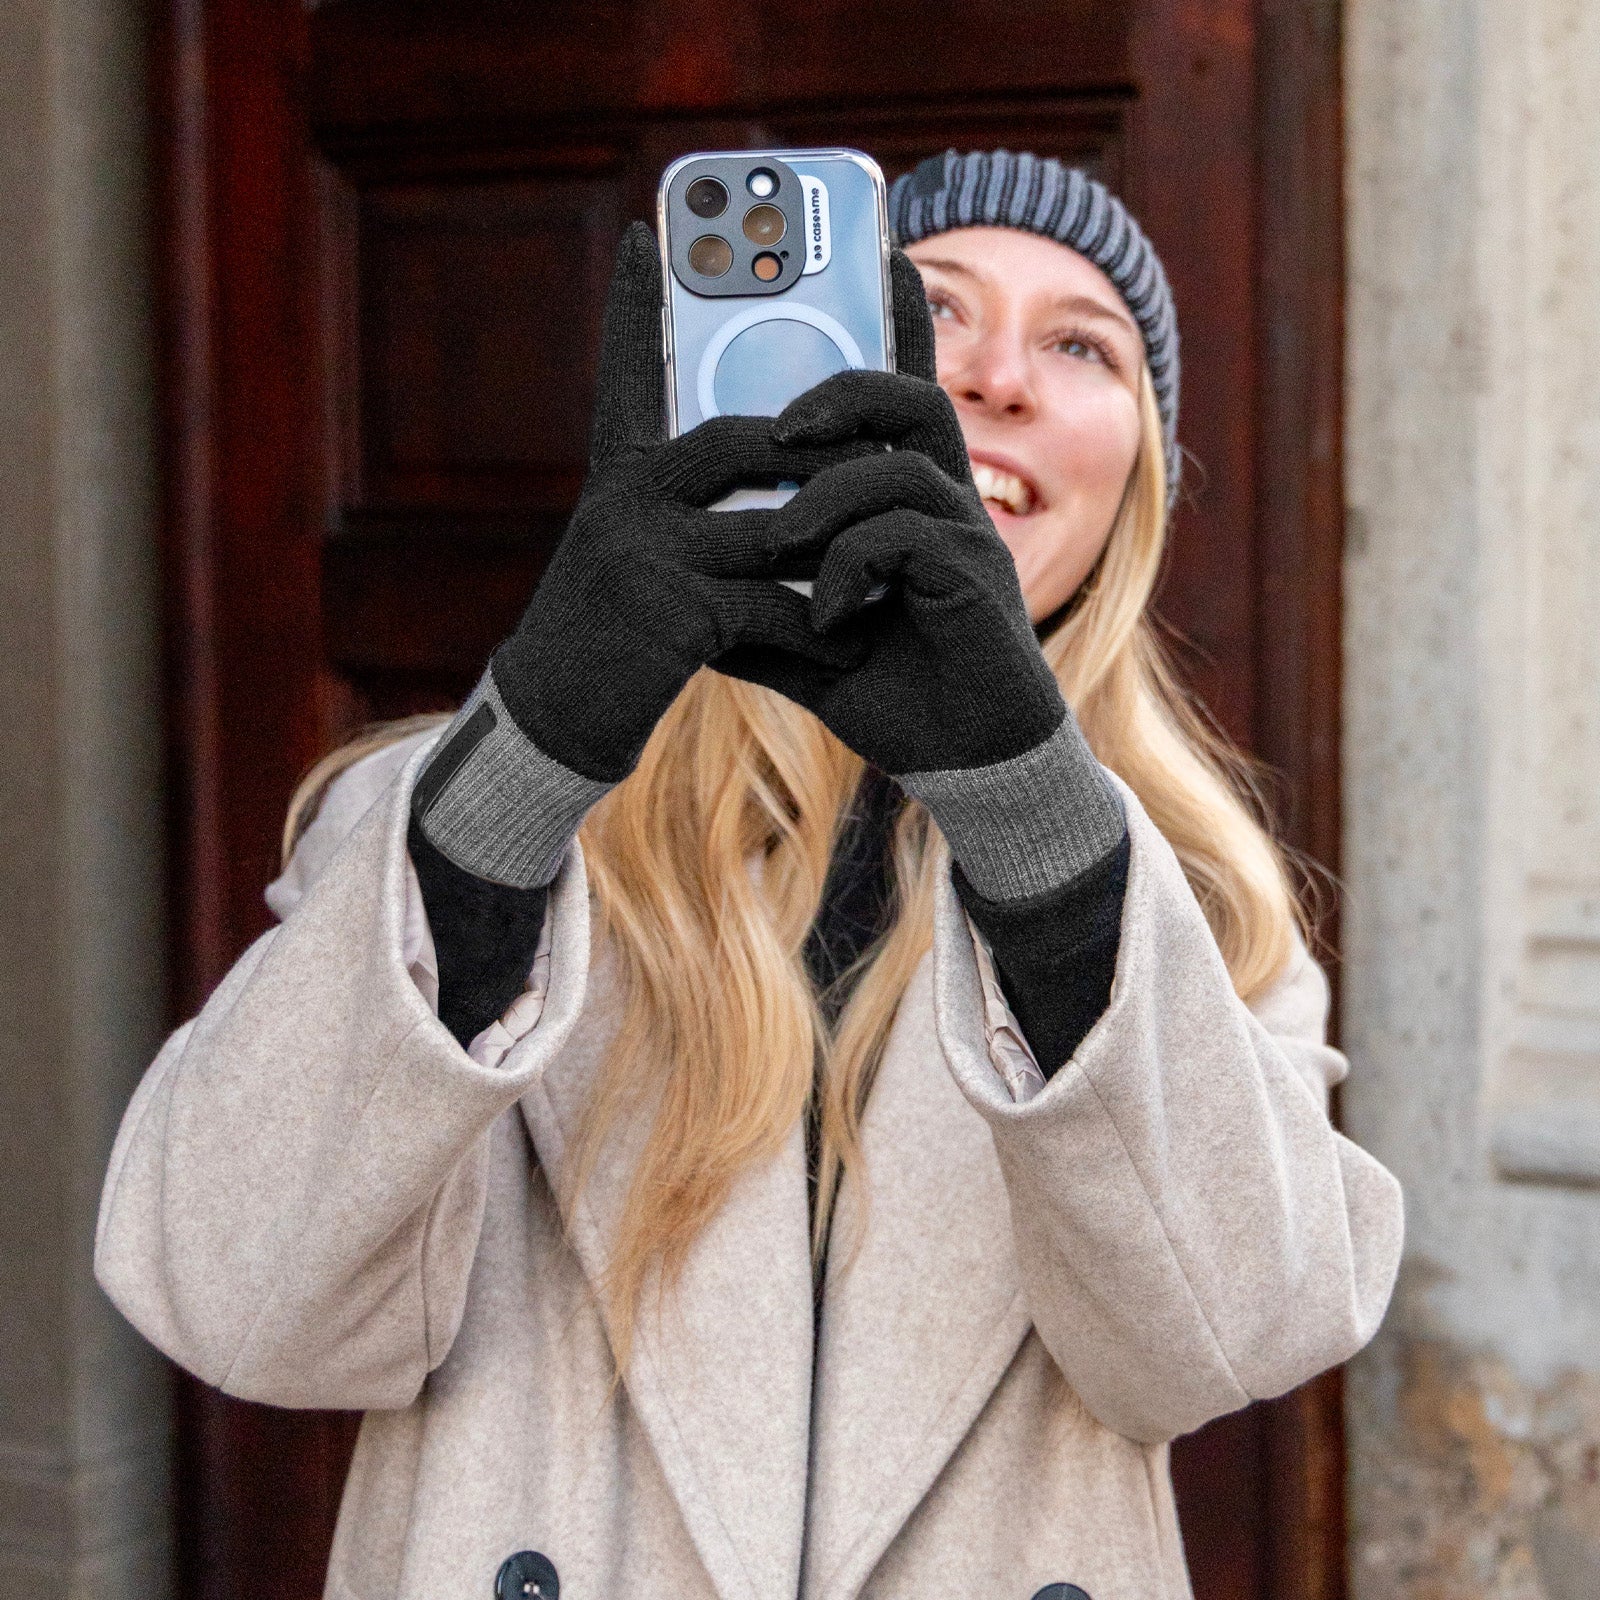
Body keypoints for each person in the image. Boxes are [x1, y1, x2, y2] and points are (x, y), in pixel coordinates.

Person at [95, 150, 1403, 1600]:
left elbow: (1216, 1349)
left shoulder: (1204, 908)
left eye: (1082, 345)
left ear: (1139, 476)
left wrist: (1032, 816)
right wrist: (531, 759)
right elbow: (242, 1307)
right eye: (932, 311)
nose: (996, 379)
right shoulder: (447, 822)